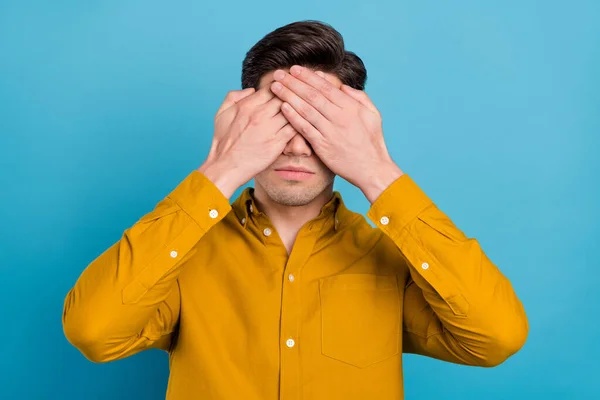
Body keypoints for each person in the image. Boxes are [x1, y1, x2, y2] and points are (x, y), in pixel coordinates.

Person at [62, 20, 528, 400]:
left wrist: (377, 170)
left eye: (319, 121)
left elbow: (496, 337)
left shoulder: (392, 259)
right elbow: (93, 330)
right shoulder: (180, 253)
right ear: (243, 121)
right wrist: (221, 167)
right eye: (280, 118)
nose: (297, 147)